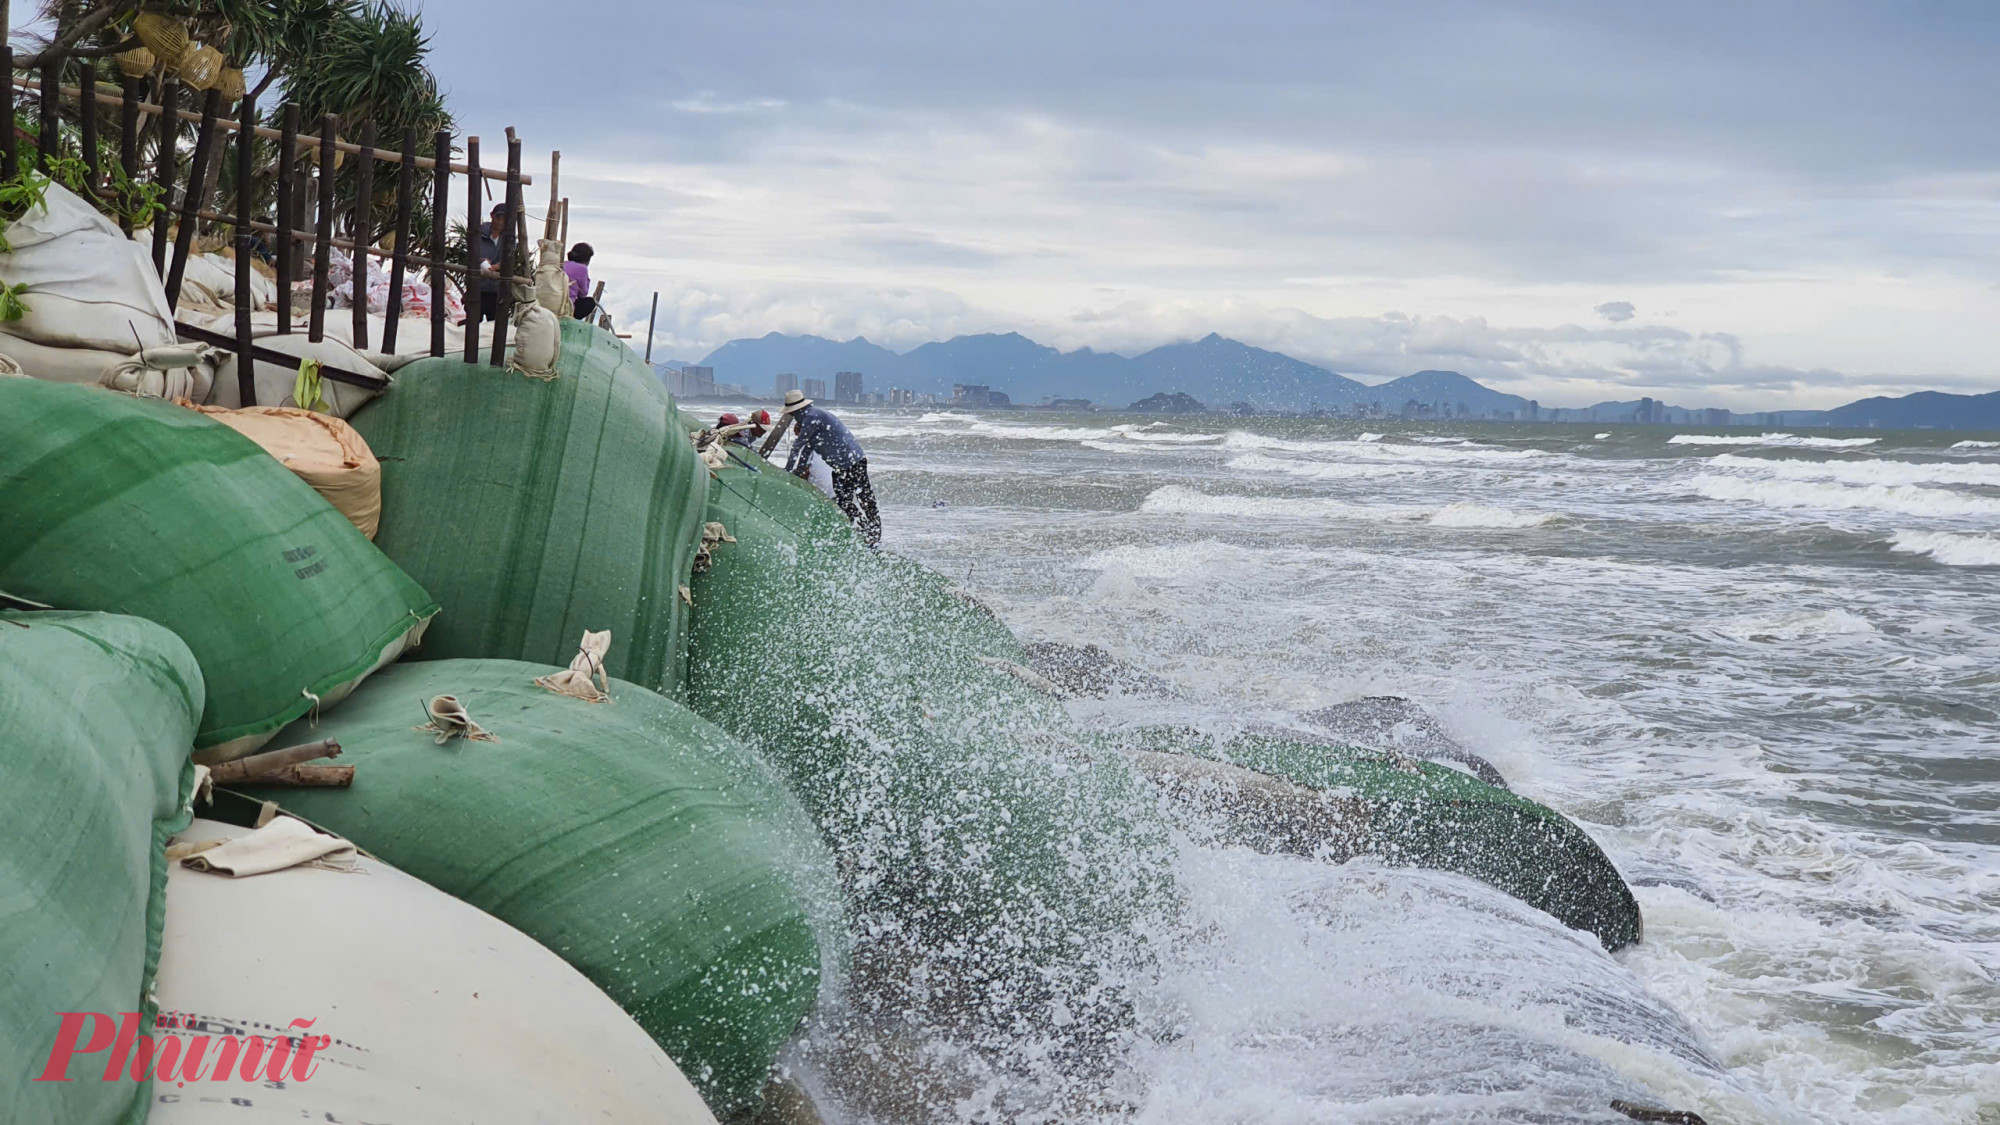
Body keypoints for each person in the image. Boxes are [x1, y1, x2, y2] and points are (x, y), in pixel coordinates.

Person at [779, 389, 880, 547]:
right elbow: (804, 456)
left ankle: (875, 535)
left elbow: (796, 447)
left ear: (798, 410)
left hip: (854, 461)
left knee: (865, 497)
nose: (793, 418)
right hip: (840, 468)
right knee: (842, 501)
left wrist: (785, 473)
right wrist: (793, 477)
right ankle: (862, 530)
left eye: (792, 414)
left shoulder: (812, 417)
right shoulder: (812, 427)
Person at [475, 203, 506, 322]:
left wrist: (498, 266)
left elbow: (509, 259)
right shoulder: (478, 233)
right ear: (492, 216)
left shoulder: (509, 238)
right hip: (478, 288)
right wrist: (482, 260)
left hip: (496, 290)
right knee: (473, 322)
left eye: (504, 219)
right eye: (498, 218)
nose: (500, 222)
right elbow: (471, 254)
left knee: (494, 326)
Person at [565, 243, 596, 320]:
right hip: (567, 305)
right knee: (590, 302)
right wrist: (587, 279)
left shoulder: (562, 264)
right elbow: (583, 294)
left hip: (551, 300)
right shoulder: (582, 268)